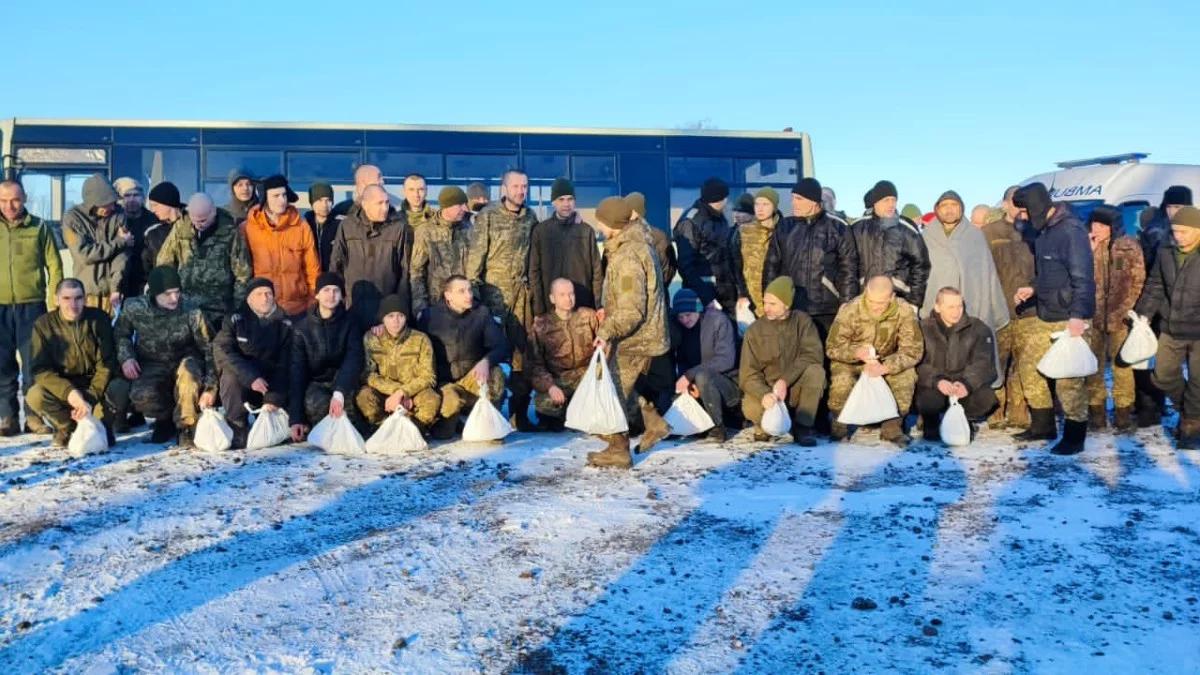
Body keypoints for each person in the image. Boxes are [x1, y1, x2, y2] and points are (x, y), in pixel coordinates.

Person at [1011, 182, 1095, 455]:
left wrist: (1078, 316)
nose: (1021, 217)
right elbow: (1050, 273)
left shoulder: (1071, 231)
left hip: (1070, 316)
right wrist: (1033, 288)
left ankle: (1075, 435)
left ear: (1035, 207)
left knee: (1068, 380)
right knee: (1029, 365)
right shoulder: (1045, 233)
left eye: (1023, 211)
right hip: (1047, 312)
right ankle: (1043, 424)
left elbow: (1083, 279)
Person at [588, 197, 671, 468]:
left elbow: (631, 308)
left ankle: (618, 450)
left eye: (601, 222)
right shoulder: (633, 245)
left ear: (612, 223)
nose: (599, 227)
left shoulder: (628, 256)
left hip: (636, 337)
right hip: (641, 334)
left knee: (613, 389)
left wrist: (606, 331)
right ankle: (653, 422)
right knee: (622, 384)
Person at [107, 266, 217, 446]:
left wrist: (211, 388)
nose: (174, 298)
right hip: (151, 362)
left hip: (185, 359)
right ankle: (165, 419)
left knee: (189, 378)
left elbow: (209, 348)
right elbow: (121, 334)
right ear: (154, 293)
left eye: (177, 292)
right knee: (141, 394)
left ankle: (187, 426)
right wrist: (127, 357)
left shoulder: (191, 309)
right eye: (167, 294)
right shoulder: (135, 307)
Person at [466, 169, 539, 430]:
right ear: (504, 189)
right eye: (516, 186)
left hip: (522, 299)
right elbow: (475, 259)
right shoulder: (488, 216)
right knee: (492, 355)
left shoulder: (531, 218)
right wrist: (474, 300)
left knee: (523, 356)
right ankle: (491, 415)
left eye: (525, 186)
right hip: (493, 299)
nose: (521, 191)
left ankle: (519, 414)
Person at [825, 275, 924, 446]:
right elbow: (832, 347)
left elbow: (913, 350)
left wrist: (886, 367)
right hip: (853, 361)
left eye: (881, 303)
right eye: (871, 302)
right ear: (866, 293)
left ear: (892, 297)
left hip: (885, 360)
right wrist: (856, 353)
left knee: (906, 376)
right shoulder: (850, 310)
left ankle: (892, 427)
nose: (876, 308)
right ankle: (839, 424)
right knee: (842, 379)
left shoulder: (904, 311)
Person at [0, 180, 63, 435]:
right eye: (3, 200)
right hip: (0, 307)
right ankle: (7, 417)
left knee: (32, 365)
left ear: (24, 198)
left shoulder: (39, 227)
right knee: (2, 365)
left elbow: (54, 264)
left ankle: (34, 417)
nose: (9, 205)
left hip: (32, 307)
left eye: (15, 200)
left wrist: (54, 301)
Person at [1135, 206, 1200, 448]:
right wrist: (1144, 314)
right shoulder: (1165, 251)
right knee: (1162, 376)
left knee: (1198, 381)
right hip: (1171, 326)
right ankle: (1191, 410)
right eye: (1175, 231)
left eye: (1183, 231)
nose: (1178, 236)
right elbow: (1155, 284)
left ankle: (1192, 427)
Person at [763, 177, 858, 337]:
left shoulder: (838, 228)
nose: (794, 203)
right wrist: (770, 299)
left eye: (799, 199)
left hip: (826, 309)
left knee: (824, 356)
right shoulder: (785, 227)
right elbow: (771, 266)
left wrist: (847, 303)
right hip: (791, 306)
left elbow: (848, 269)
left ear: (814, 201)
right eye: (793, 198)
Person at [27, 279, 117, 448]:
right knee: (35, 395)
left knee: (120, 386)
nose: (73, 304)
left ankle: (102, 426)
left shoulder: (99, 319)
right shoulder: (43, 325)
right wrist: (70, 393)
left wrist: (89, 398)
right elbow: (40, 369)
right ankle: (67, 428)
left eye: (78, 298)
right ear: (56, 300)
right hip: (64, 389)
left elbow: (107, 363)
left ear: (85, 299)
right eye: (66, 298)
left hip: (95, 386)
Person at [739, 277, 827, 445]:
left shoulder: (803, 322)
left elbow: (813, 355)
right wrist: (764, 393)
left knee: (816, 372)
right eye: (765, 303)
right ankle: (763, 425)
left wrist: (785, 381)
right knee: (750, 407)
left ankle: (803, 426)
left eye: (773, 304)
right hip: (767, 390)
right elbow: (747, 374)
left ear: (787, 304)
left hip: (794, 387)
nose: (766, 308)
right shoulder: (754, 331)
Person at [420, 276, 510, 439]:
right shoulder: (430, 316)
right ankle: (454, 421)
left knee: (496, 375)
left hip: (472, 376)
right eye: (461, 291)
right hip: (445, 382)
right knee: (444, 433)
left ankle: (489, 422)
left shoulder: (481, 313)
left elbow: (501, 346)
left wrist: (486, 361)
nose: (468, 295)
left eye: (469, 290)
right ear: (448, 295)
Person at [1083, 206, 1145, 432]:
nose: (1096, 229)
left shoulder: (1128, 246)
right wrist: (1089, 251)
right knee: (1093, 368)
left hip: (1121, 319)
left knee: (1122, 367)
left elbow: (1138, 281)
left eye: (1102, 225)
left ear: (1113, 226)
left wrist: (1125, 310)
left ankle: (1123, 416)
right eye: (1094, 224)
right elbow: (1082, 278)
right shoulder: (1088, 246)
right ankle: (1096, 415)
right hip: (1094, 317)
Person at [213, 278, 293, 448]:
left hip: (271, 382)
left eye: (269, 293)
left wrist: (273, 397)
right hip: (244, 379)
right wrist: (251, 377)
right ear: (249, 298)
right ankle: (237, 425)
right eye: (259, 294)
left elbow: (286, 363)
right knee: (229, 375)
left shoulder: (285, 323)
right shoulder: (235, 319)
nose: (265, 298)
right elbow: (222, 351)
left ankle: (269, 418)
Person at [981, 186, 1036, 431]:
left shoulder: (1036, 231)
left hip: (1029, 311)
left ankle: (1019, 410)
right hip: (999, 308)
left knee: (1024, 364)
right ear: (1004, 204)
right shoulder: (989, 233)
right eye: (1014, 202)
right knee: (998, 362)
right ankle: (995, 409)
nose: (1019, 207)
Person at [156, 193, 252, 330]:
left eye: (203, 220)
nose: (199, 224)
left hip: (219, 307)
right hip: (186, 305)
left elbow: (243, 274)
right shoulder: (180, 228)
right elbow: (164, 263)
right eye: (195, 220)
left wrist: (237, 307)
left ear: (213, 212)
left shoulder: (230, 232)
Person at [288, 272, 365, 441]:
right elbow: (297, 372)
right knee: (317, 405)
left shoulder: (350, 323)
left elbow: (354, 359)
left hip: (344, 381)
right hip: (316, 383)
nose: (331, 295)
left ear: (342, 295)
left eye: (336, 290)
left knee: (350, 417)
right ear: (317, 294)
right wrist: (295, 419)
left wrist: (340, 392)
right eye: (326, 290)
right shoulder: (301, 328)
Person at [921, 190, 1010, 335]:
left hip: (971, 305)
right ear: (936, 209)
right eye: (944, 205)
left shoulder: (975, 236)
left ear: (961, 208)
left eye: (954, 205)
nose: (949, 209)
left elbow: (987, 274)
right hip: (935, 306)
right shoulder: (926, 237)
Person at [915, 287, 998, 442]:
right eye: (950, 307)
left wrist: (967, 384)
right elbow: (917, 363)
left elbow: (984, 363)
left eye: (959, 306)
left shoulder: (978, 328)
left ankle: (965, 420)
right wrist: (937, 381)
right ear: (938, 307)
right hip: (935, 386)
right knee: (927, 400)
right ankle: (930, 421)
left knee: (987, 398)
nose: (956, 312)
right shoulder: (923, 328)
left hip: (963, 384)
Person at [331, 183, 412, 329]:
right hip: (353, 309)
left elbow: (404, 272)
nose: (385, 208)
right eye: (379, 203)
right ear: (365, 204)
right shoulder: (347, 226)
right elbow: (336, 265)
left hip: (386, 312)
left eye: (387, 202)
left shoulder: (399, 228)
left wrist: (399, 308)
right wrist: (340, 304)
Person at [357, 293, 441, 434]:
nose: (396, 321)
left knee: (432, 400)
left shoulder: (420, 339)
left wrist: (404, 392)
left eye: (400, 316)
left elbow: (429, 376)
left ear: (406, 317)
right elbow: (367, 374)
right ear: (382, 318)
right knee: (364, 398)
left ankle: (412, 431)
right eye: (390, 316)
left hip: (413, 393)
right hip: (385, 393)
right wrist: (395, 392)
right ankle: (383, 430)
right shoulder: (371, 339)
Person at [242, 175, 321, 318]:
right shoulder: (248, 228)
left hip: (298, 309)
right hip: (262, 310)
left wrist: (312, 301)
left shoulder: (301, 226)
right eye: (276, 196)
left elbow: (312, 269)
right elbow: (241, 271)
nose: (282, 200)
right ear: (265, 199)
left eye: (284, 195)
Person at [528, 278, 600, 431]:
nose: (568, 299)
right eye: (562, 295)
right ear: (552, 298)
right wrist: (550, 386)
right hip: (559, 379)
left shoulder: (588, 316)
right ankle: (561, 416)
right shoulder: (542, 324)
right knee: (544, 403)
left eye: (571, 294)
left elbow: (604, 345)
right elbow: (535, 364)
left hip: (587, 376)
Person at [666, 288, 737, 441]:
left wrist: (690, 375)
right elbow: (682, 360)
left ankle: (718, 427)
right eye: (680, 316)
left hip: (727, 383)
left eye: (688, 315)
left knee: (703, 376)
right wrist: (689, 383)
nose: (685, 320)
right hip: (697, 383)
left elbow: (726, 360)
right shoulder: (682, 329)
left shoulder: (718, 321)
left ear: (698, 309)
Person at [673, 177, 747, 318]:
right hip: (705, 298)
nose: (727, 202)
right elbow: (686, 266)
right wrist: (707, 298)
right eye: (726, 197)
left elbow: (729, 258)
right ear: (721, 198)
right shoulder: (691, 221)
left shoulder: (720, 218)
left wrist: (740, 291)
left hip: (725, 294)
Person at [529, 178, 604, 316]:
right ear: (553, 202)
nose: (566, 204)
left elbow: (597, 272)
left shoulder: (586, 231)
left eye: (570, 199)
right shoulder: (541, 231)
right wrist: (538, 309)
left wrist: (598, 305)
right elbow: (534, 272)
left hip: (582, 305)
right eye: (561, 199)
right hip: (551, 308)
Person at [852, 180, 930, 306]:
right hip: (864, 299)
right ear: (875, 202)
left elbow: (921, 266)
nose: (891, 204)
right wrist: (850, 298)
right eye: (886, 200)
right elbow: (848, 265)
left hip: (898, 300)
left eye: (894, 200)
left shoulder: (907, 230)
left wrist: (914, 303)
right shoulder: (857, 228)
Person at [61, 173, 131, 314]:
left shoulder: (119, 215)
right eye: (106, 203)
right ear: (92, 203)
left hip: (112, 295)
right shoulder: (72, 218)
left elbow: (121, 256)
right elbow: (85, 255)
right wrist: (120, 242)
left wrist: (116, 288)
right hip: (86, 293)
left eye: (112, 202)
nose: (111, 207)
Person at [410, 186, 471, 319]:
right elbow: (416, 271)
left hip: (465, 307)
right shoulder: (425, 231)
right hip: (435, 306)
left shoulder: (469, 230)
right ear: (446, 206)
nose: (465, 209)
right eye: (460, 205)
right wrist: (420, 308)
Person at [737, 187, 781, 317]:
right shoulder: (744, 232)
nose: (760, 208)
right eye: (757, 204)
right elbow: (735, 265)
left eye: (765, 204)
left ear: (774, 206)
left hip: (778, 299)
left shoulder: (785, 230)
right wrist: (742, 293)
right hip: (751, 301)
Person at [113, 177, 157, 298]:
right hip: (120, 282)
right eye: (127, 195)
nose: (132, 199)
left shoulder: (153, 220)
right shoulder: (113, 222)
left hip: (146, 281)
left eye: (136, 195)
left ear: (142, 197)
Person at [625, 192, 677, 287]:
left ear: (633, 211)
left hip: (629, 296)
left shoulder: (620, 236)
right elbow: (669, 271)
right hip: (658, 296)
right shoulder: (660, 236)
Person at [143, 182, 187, 283]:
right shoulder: (152, 233)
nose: (153, 210)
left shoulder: (193, 225)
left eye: (155, 205)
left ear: (167, 203)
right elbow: (147, 267)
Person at [304, 181, 338, 272]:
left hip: (333, 280)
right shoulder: (304, 226)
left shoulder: (340, 225)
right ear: (311, 202)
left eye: (328, 200)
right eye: (319, 200)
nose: (324, 205)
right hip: (311, 279)